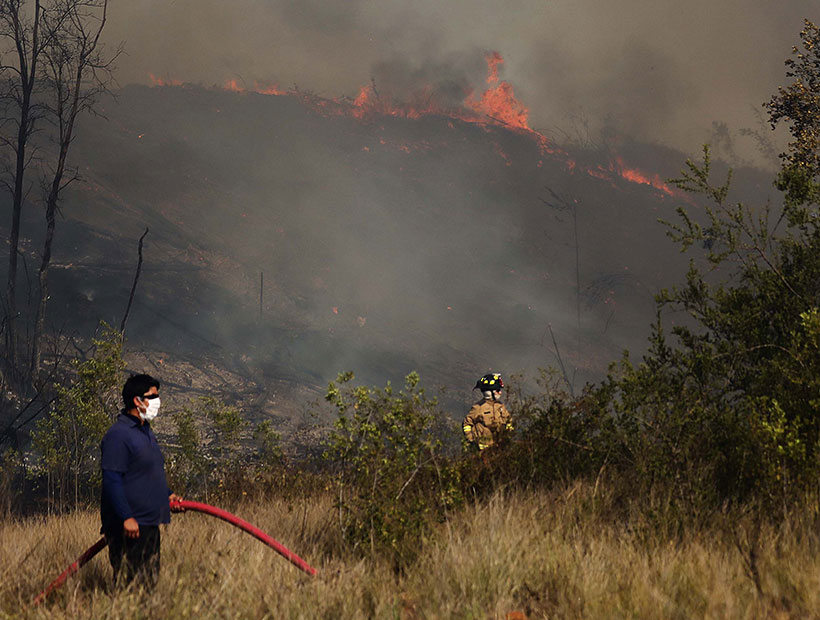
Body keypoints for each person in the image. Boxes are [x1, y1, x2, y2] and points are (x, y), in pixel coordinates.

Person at [100, 373, 183, 587]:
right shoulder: (119, 435)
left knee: (148, 584)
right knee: (130, 585)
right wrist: (126, 517)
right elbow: (112, 480)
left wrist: (168, 495)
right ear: (137, 401)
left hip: (149, 523)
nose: (157, 402)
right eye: (152, 397)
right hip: (130, 527)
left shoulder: (145, 432)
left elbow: (146, 473)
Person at [462, 373, 513, 450]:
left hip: (498, 447)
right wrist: (471, 439)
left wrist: (508, 433)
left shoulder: (500, 406)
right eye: (498, 390)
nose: (500, 393)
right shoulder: (478, 407)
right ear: (489, 392)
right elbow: (466, 424)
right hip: (482, 449)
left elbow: (508, 420)